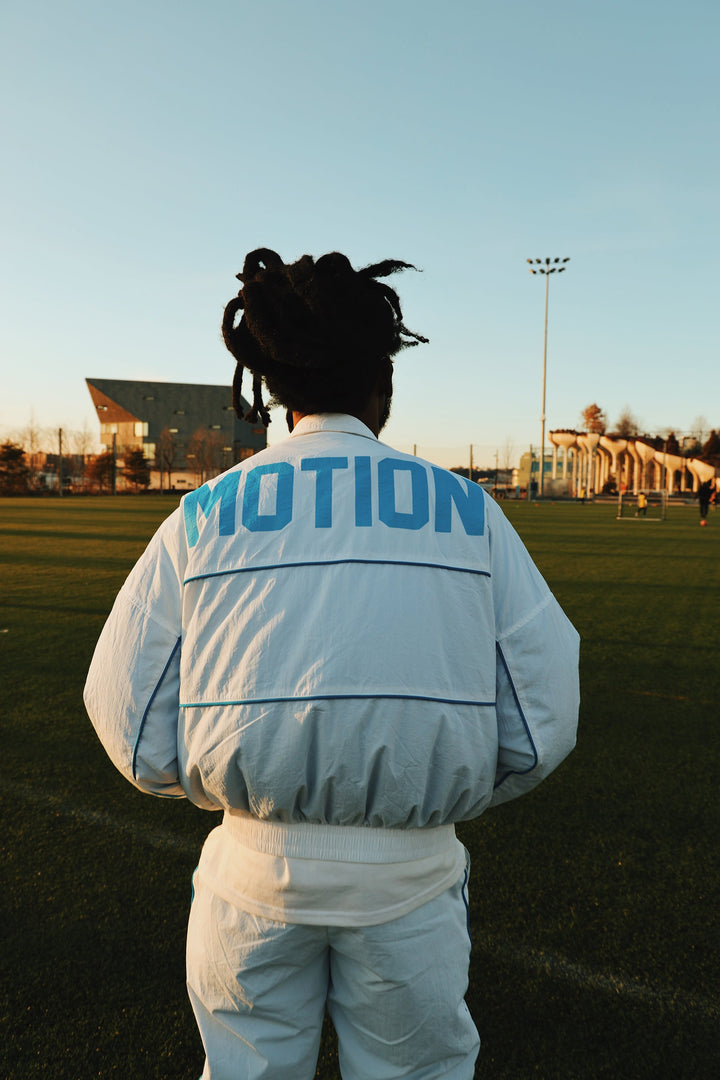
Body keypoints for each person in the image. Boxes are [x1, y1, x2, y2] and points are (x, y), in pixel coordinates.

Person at [84, 249, 580, 1080]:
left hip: (250, 871)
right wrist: (436, 787)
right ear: (381, 384)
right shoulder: (471, 511)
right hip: (410, 877)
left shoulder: (202, 514)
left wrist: (233, 789)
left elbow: (125, 714)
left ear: (279, 393)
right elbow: (543, 718)